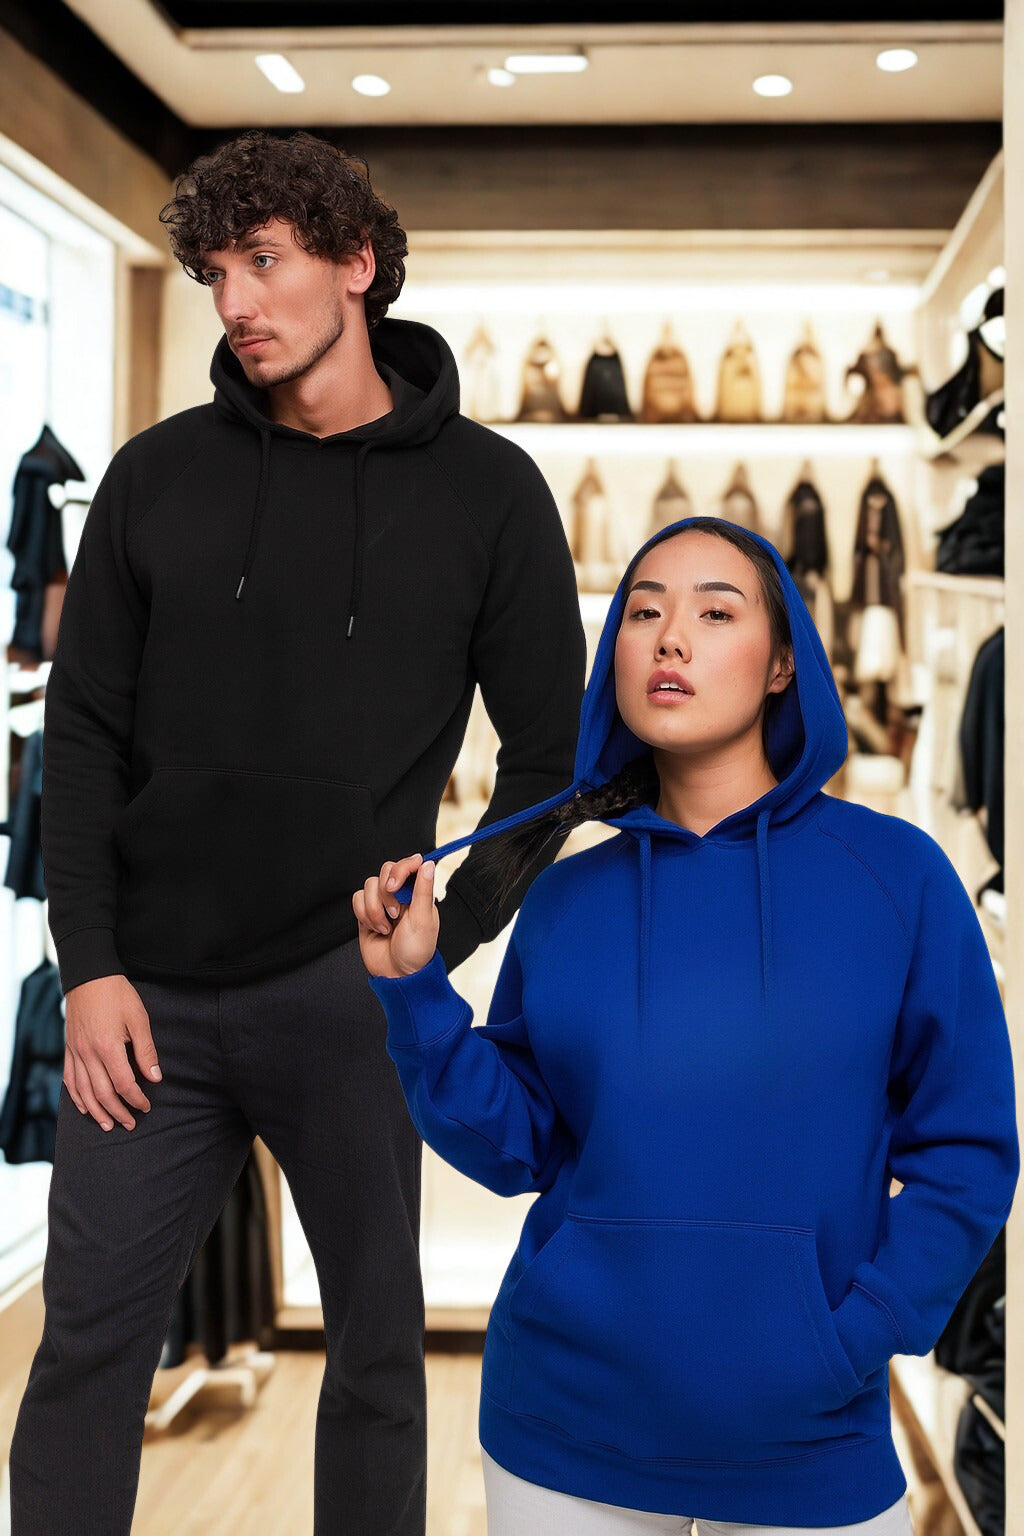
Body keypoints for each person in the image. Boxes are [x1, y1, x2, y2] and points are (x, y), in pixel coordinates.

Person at [8, 129, 586, 1536]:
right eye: (214, 273)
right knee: (85, 1357)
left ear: (357, 265)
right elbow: (78, 744)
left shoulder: (490, 493)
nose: (236, 302)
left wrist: (450, 928)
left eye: (264, 262)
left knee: (378, 1359)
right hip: (145, 1003)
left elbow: (550, 762)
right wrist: (89, 967)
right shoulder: (155, 478)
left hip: (349, 999)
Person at [355, 514, 1020, 1534]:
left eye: (715, 613)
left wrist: (858, 1335)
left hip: (810, 1436)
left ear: (782, 665)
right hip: (563, 1432)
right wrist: (417, 993)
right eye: (643, 613)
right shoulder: (566, 899)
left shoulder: (898, 878)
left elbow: (966, 1153)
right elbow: (519, 1143)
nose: (670, 638)